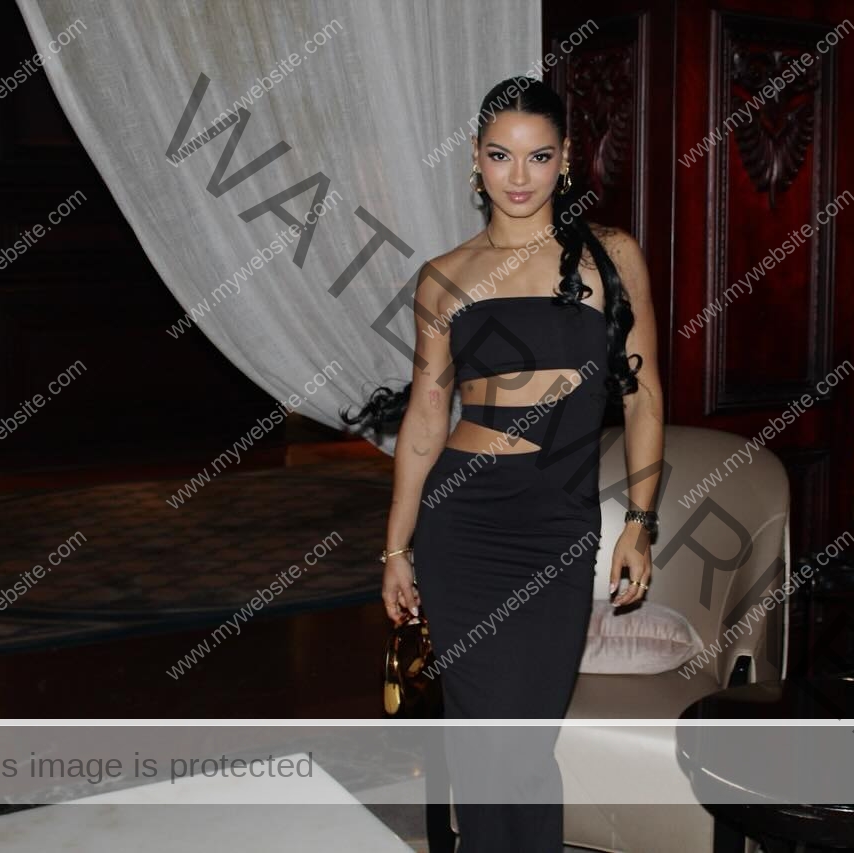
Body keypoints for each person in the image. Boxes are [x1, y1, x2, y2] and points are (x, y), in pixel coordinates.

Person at [342, 76, 664, 853]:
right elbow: (425, 420)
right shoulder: (444, 278)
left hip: (555, 526)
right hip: (464, 526)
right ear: (475, 163)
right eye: (499, 156)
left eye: (538, 156)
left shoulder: (610, 257)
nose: (518, 177)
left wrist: (642, 523)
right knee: (488, 746)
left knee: (520, 744)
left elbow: (646, 394)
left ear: (566, 162)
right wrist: (396, 545)